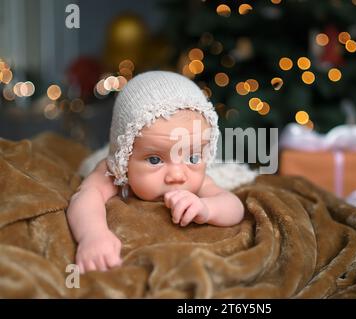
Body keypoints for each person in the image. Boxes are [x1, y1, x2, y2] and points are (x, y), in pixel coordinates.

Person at [67, 71, 245, 274]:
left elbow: (234, 207)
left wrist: (207, 208)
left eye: (193, 158)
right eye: (155, 159)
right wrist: (93, 235)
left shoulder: (198, 179)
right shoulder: (112, 171)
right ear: (124, 158)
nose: (177, 176)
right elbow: (86, 197)